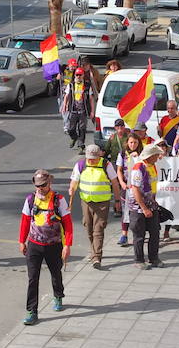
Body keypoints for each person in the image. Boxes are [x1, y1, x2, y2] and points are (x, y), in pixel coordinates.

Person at [19, 169, 73, 325]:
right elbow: (25, 221)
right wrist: (22, 241)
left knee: (56, 272)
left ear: (50, 182)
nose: (40, 188)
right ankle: (32, 311)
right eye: (37, 185)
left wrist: (67, 245)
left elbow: (68, 224)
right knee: (32, 278)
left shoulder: (59, 200)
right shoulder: (30, 199)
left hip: (54, 245)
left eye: (43, 185)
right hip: (34, 245)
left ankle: (58, 295)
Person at [68, 144, 121, 269]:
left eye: (93, 158)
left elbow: (115, 183)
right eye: (89, 158)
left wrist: (117, 200)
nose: (91, 160)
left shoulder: (106, 165)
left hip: (102, 203)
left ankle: (97, 257)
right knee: (88, 226)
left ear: (99, 156)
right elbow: (74, 181)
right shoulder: (80, 165)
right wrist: (72, 189)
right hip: (86, 202)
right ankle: (93, 251)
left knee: (98, 229)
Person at [128, 144, 165, 270]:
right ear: (150, 156)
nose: (158, 157)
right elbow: (136, 190)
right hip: (138, 207)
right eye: (156, 155)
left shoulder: (152, 166)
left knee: (155, 233)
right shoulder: (138, 168)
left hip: (151, 205)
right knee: (139, 234)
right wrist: (144, 208)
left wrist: (153, 203)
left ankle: (153, 258)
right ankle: (138, 260)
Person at [115, 132, 143, 247]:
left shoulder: (142, 154)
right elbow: (119, 170)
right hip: (126, 187)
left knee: (138, 211)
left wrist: (138, 157)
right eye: (131, 142)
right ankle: (124, 235)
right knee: (125, 210)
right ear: (127, 143)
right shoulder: (122, 154)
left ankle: (140, 234)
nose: (133, 145)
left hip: (138, 187)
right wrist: (121, 182)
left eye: (135, 142)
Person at [61, 67, 94, 154]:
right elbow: (66, 96)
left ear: (83, 75)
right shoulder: (71, 85)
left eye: (80, 75)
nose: (78, 76)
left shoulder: (87, 86)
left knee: (82, 129)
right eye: (77, 75)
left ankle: (81, 145)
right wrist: (64, 106)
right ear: (75, 75)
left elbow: (91, 99)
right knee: (70, 129)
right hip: (73, 110)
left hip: (83, 111)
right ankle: (74, 137)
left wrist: (92, 111)